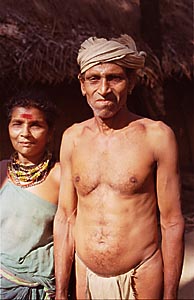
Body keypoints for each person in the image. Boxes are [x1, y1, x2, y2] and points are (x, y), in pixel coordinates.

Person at [54, 35, 185, 300]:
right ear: (82, 85)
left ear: (132, 82)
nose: (103, 89)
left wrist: (170, 295)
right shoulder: (72, 138)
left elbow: (171, 223)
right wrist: (60, 292)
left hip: (141, 275)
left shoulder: (157, 136)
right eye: (94, 79)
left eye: (114, 78)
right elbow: (65, 217)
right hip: (85, 275)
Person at [0, 90, 60, 299]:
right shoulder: (1, 171)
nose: (25, 133)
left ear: (50, 132)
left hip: (35, 287)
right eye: (17, 124)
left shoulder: (60, 176)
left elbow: (70, 235)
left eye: (35, 125)